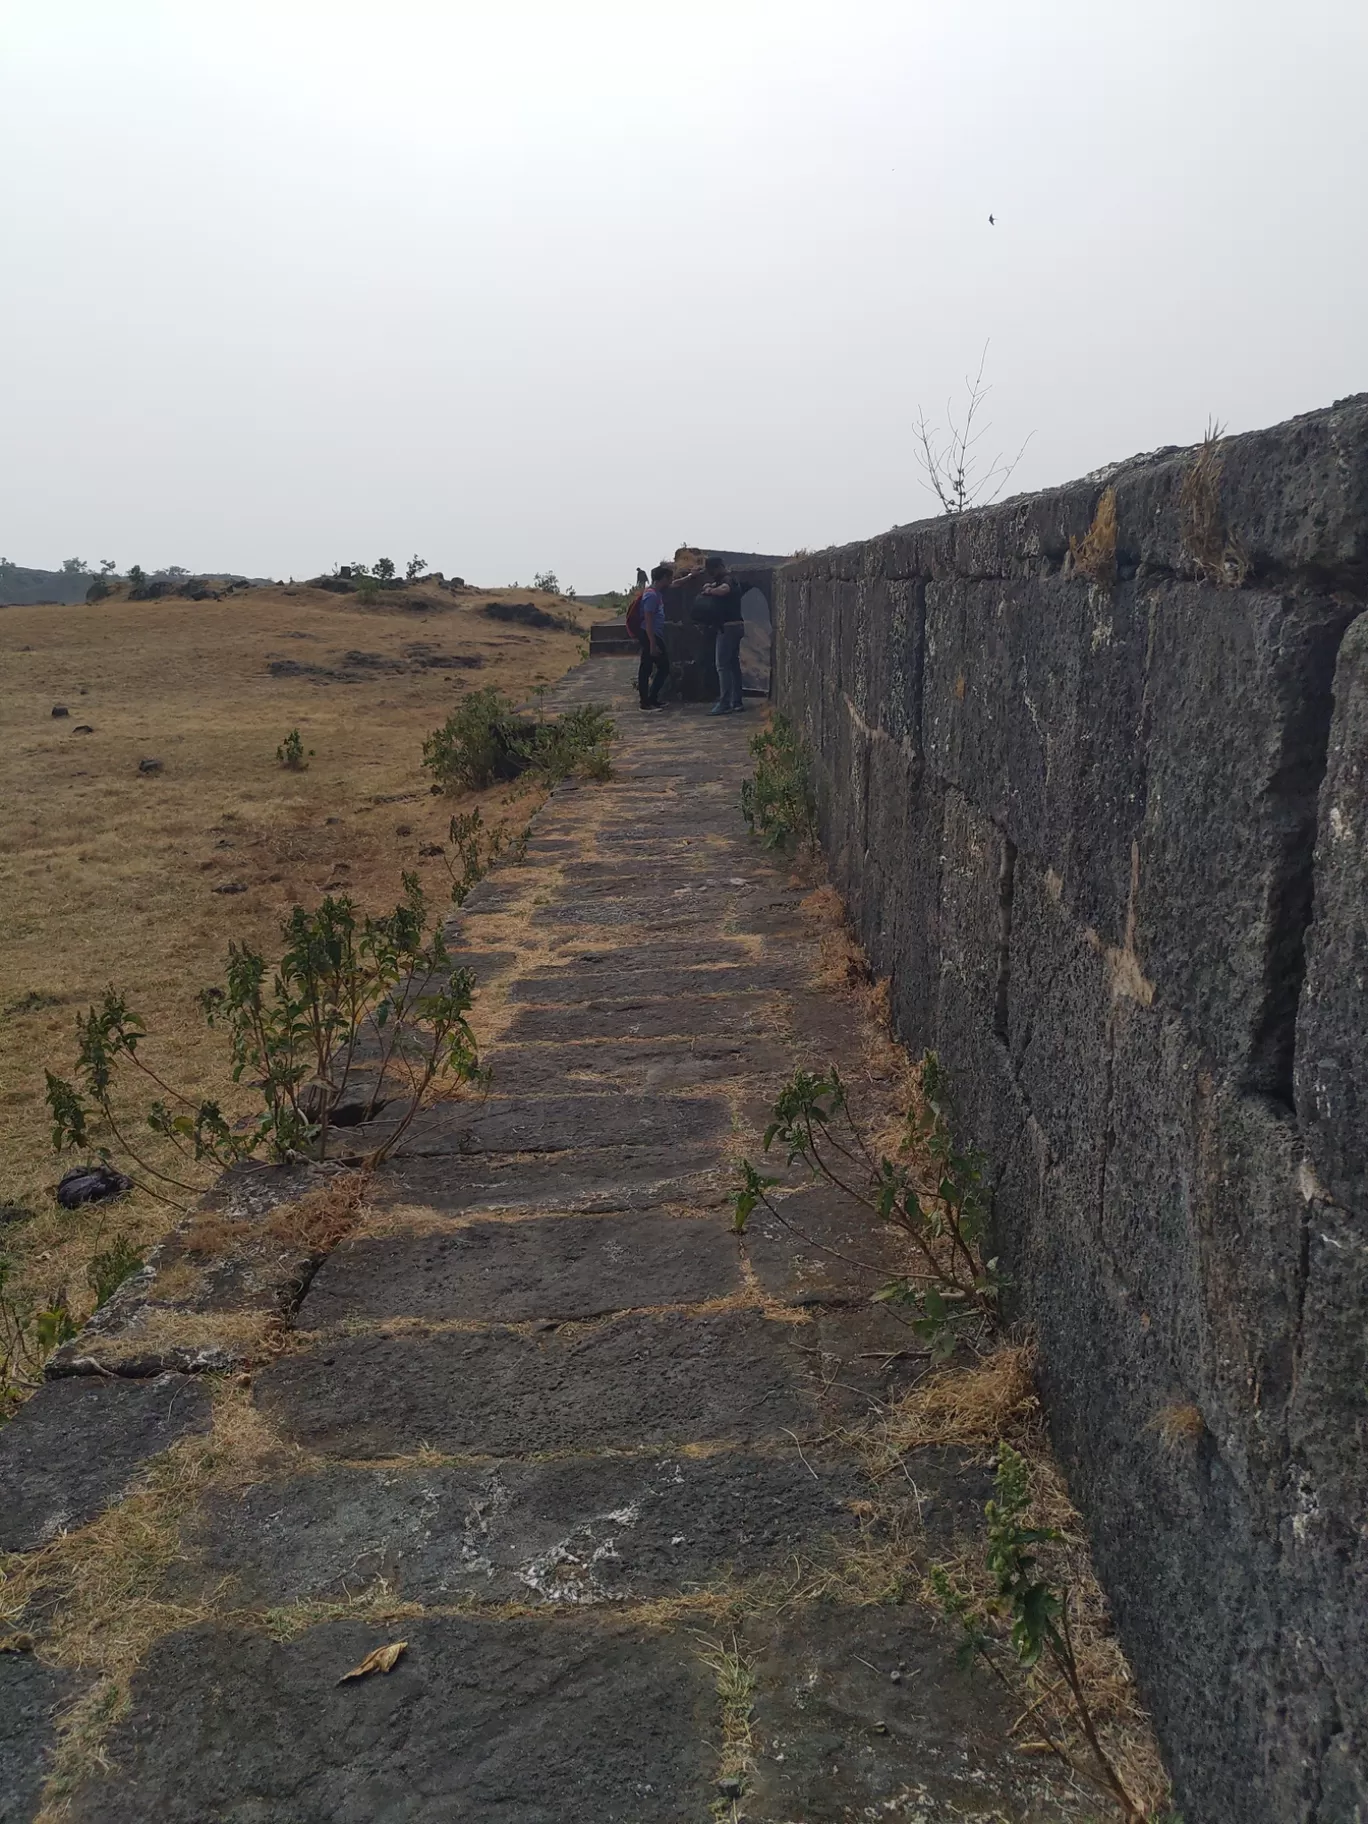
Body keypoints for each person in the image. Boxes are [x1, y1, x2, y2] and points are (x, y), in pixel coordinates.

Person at [694, 556, 746, 714]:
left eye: (711, 571)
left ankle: (724, 703)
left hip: (728, 627)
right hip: (736, 625)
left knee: (722, 665)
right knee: (733, 665)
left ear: (716, 568)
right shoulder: (727, 579)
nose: (710, 574)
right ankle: (736, 701)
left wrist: (710, 591)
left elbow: (725, 589)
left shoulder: (727, 579)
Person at [636, 563, 672, 709]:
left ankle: (650, 699)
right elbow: (648, 620)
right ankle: (646, 701)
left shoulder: (655, 592)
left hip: (653, 635)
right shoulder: (651, 596)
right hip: (650, 635)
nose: (670, 581)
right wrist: (652, 643)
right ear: (663, 578)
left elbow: (674, 584)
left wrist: (689, 577)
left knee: (655, 667)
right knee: (650, 668)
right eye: (669, 578)